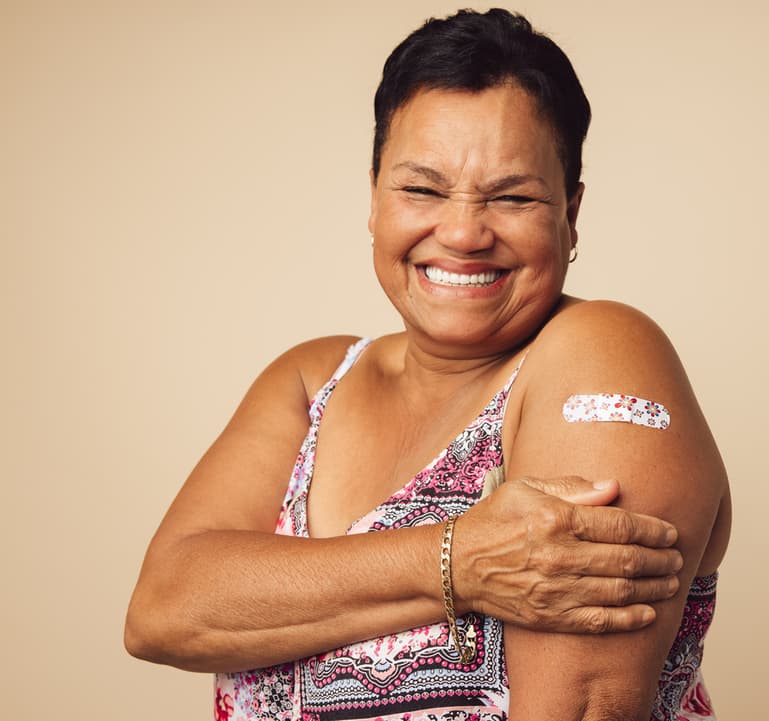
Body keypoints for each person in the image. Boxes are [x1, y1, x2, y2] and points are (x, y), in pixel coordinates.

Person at [125, 8, 731, 721]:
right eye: (421, 190)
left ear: (570, 215)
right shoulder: (315, 379)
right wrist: (458, 560)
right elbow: (163, 609)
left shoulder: (602, 355)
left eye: (512, 196)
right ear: (374, 197)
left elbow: (584, 705)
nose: (464, 232)